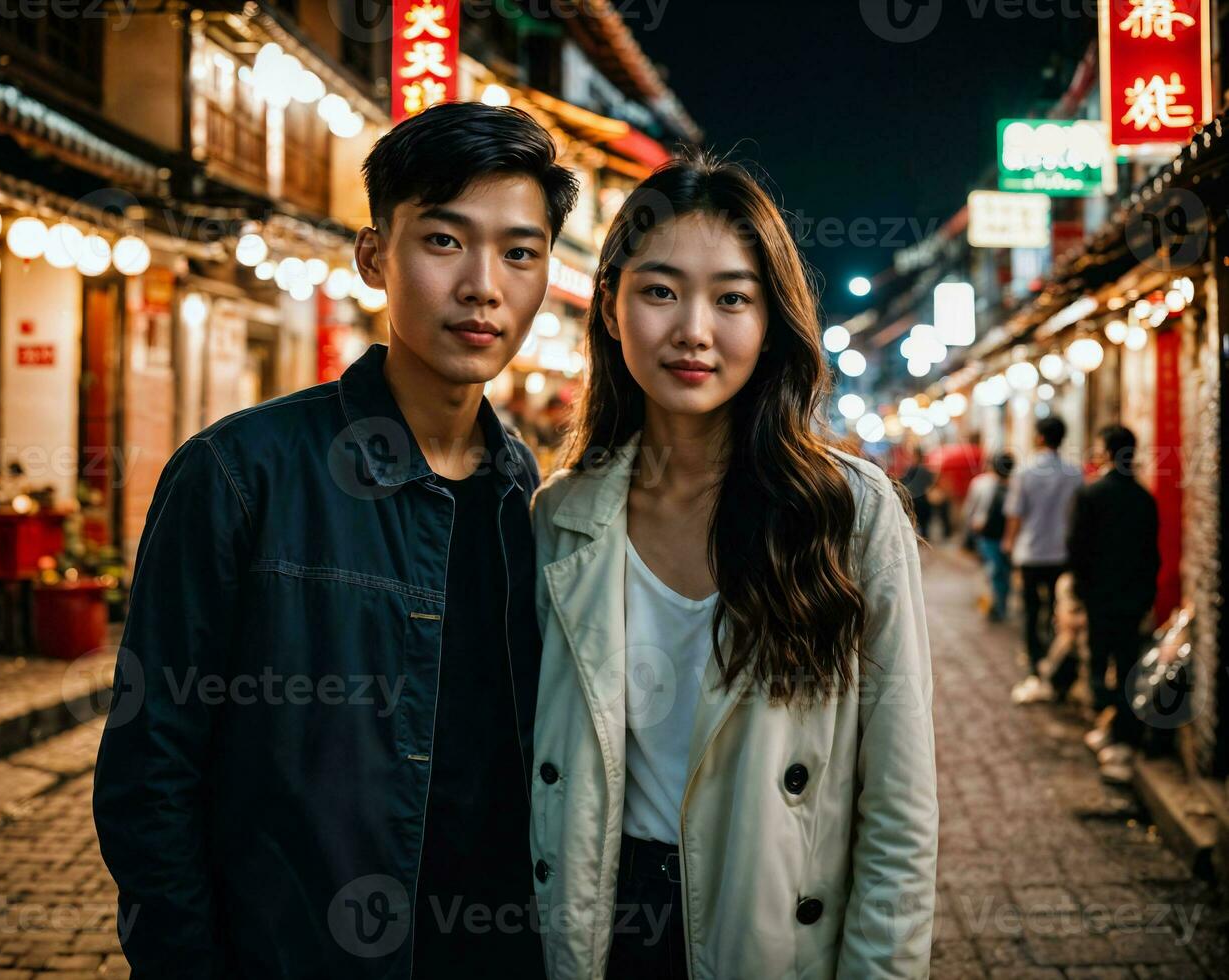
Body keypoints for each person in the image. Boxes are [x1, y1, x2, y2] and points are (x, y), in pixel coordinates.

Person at [93, 102, 579, 979]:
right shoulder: (241, 474)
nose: (483, 285)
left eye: (520, 251)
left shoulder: (535, 504)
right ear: (372, 257)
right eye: (443, 240)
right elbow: (149, 766)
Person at [529, 154, 937, 979]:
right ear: (610, 307)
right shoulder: (561, 516)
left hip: (771, 920)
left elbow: (898, 806)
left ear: (770, 319)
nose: (693, 330)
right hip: (606, 917)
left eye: (732, 298)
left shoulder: (847, 514)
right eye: (660, 290)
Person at [1067, 425, 1160, 783]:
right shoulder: (1143, 497)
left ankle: (1111, 724)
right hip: (1133, 595)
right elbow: (1151, 554)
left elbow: (1078, 548)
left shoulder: (1092, 495)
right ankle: (1121, 730)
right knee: (1127, 662)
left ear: (1106, 452)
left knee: (1098, 659)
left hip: (1100, 595)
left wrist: (1080, 589)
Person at [1003, 415, 1083, 703]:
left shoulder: (1024, 472)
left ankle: (1035, 666)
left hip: (1031, 552)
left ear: (1039, 437)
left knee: (1031, 609)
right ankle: (1054, 659)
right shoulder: (1074, 473)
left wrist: (1009, 542)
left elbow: (1015, 513)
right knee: (1057, 610)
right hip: (1062, 553)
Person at [970, 451, 1015, 622]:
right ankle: (997, 605)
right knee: (998, 570)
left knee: (997, 570)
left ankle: (998, 604)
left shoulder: (983, 484)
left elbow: (971, 510)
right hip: (995, 536)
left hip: (995, 536)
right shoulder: (984, 484)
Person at [900, 446, 935, 538]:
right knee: (924, 525)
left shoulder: (912, 470)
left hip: (915, 500)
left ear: (916, 456)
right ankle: (925, 541)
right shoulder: (926, 470)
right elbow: (931, 483)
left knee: (915, 523)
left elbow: (905, 483)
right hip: (924, 500)